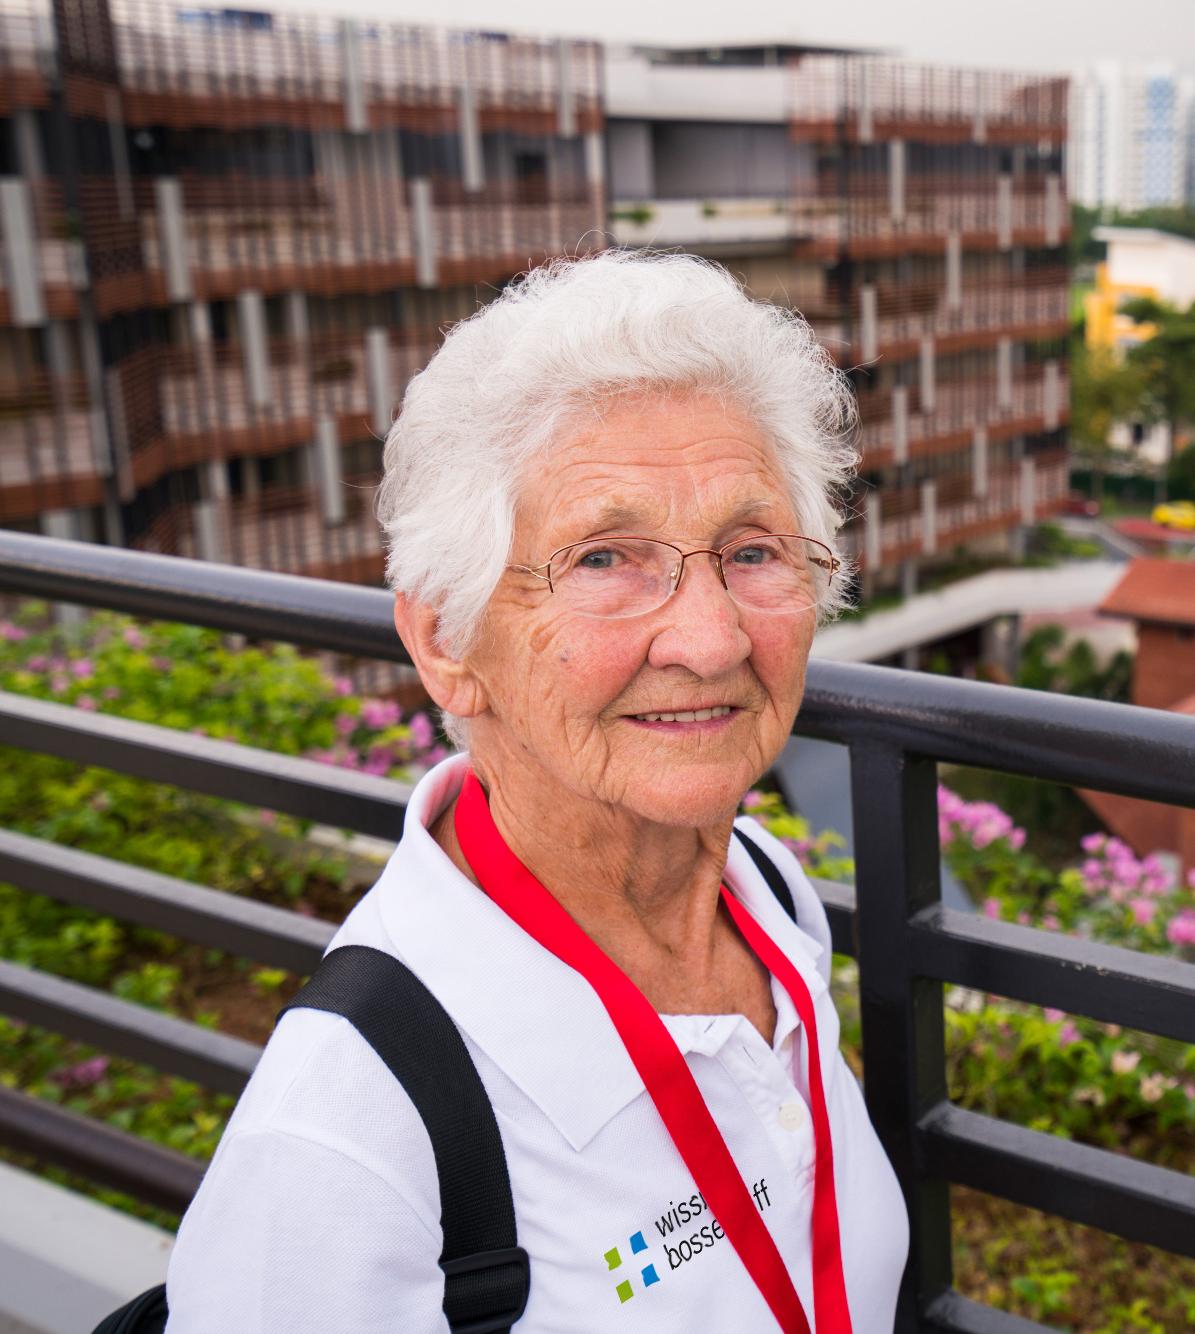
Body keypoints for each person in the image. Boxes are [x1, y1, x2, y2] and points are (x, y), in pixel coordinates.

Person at [164, 252, 910, 1331]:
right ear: (445, 640)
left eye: (751, 549)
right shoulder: (348, 1133)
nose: (710, 639)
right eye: (605, 559)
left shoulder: (767, 897)